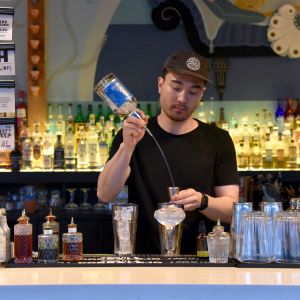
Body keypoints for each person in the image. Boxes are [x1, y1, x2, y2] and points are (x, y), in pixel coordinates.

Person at [97, 50, 239, 254]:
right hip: (144, 260)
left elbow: (231, 211)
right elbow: (104, 193)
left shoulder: (218, 140)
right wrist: (127, 147)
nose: (182, 98)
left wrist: (202, 200)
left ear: (202, 94)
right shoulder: (132, 135)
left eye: (193, 91)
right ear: (160, 84)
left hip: (202, 260)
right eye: (176, 86)